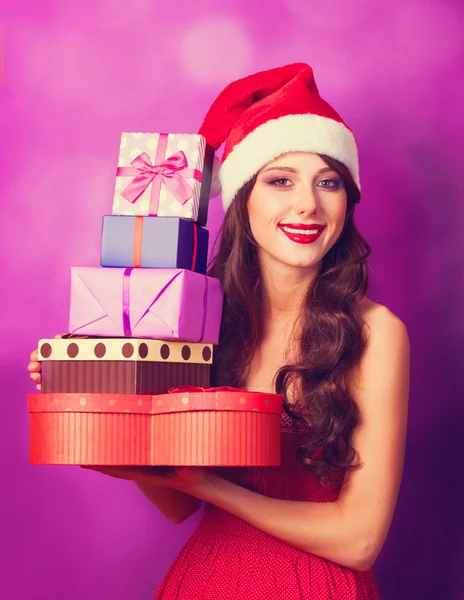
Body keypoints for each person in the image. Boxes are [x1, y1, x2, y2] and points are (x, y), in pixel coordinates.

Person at [28, 63, 410, 599]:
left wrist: (211, 488)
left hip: (314, 586)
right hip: (206, 580)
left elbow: (360, 540)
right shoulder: (199, 320)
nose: (308, 204)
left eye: (329, 182)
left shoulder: (375, 333)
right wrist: (99, 402)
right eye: (281, 181)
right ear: (241, 198)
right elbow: (178, 501)